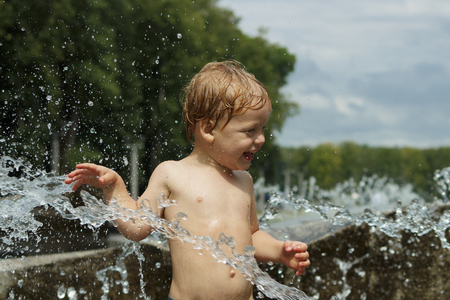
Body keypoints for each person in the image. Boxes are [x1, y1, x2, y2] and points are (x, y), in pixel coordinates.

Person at [65, 60, 310, 300]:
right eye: (250, 131)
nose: (261, 139)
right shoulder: (172, 173)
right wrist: (114, 187)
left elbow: (252, 237)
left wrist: (279, 251)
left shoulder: (244, 180)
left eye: (262, 129)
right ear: (209, 129)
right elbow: (137, 227)